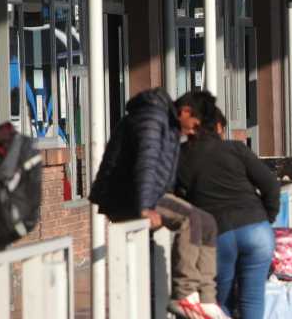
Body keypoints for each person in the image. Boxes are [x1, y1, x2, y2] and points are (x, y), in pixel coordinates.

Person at [89, 88, 228, 319]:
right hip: (129, 195)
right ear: (185, 111)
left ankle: (206, 297)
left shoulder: (170, 122)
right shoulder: (152, 117)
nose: (193, 132)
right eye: (194, 126)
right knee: (191, 219)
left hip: (150, 193)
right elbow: (147, 161)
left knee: (208, 222)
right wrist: (145, 206)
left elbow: (165, 169)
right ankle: (184, 292)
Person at [174, 92, 281, 319]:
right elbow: (271, 184)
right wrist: (265, 217)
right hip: (256, 229)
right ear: (217, 126)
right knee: (252, 299)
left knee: (216, 303)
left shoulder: (181, 157)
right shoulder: (235, 149)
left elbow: (178, 199)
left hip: (216, 235)